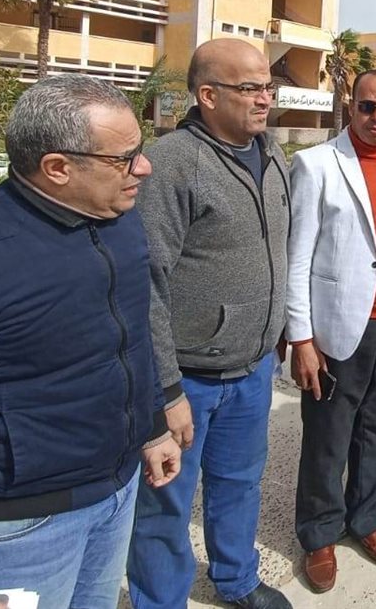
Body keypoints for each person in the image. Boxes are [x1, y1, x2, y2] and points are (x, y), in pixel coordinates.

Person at [0, 75, 180, 609]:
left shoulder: (121, 221)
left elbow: (132, 340)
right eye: (124, 158)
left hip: (116, 495)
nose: (144, 168)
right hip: (16, 529)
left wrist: (152, 427)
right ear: (57, 167)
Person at [127, 39, 292, 609]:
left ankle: (237, 580)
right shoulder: (173, 163)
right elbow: (146, 283)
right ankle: (160, 601)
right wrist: (166, 388)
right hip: (188, 381)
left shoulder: (272, 153)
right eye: (249, 88)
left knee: (240, 483)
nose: (264, 98)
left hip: (252, 368)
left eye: (268, 86)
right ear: (208, 95)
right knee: (166, 505)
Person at [286, 69, 376, 594]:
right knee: (329, 433)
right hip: (341, 324)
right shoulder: (316, 164)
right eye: (368, 106)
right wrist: (301, 338)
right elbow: (298, 256)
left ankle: (366, 517)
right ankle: (319, 532)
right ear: (351, 107)